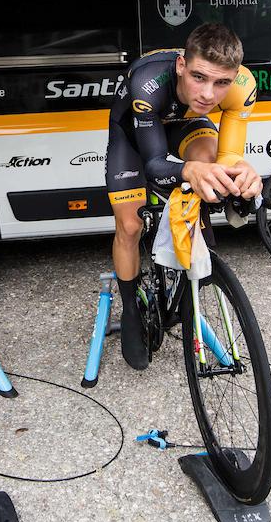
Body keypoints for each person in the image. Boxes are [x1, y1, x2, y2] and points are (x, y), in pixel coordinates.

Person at [105, 23, 261, 370]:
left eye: (222, 82)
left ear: (234, 77)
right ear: (180, 65)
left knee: (210, 161)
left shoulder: (243, 87)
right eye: (199, 77)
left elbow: (229, 158)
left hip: (185, 124)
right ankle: (131, 309)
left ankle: (197, 230)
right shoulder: (147, 83)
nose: (208, 94)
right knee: (130, 225)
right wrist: (189, 172)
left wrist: (242, 177)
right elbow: (156, 165)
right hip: (134, 133)